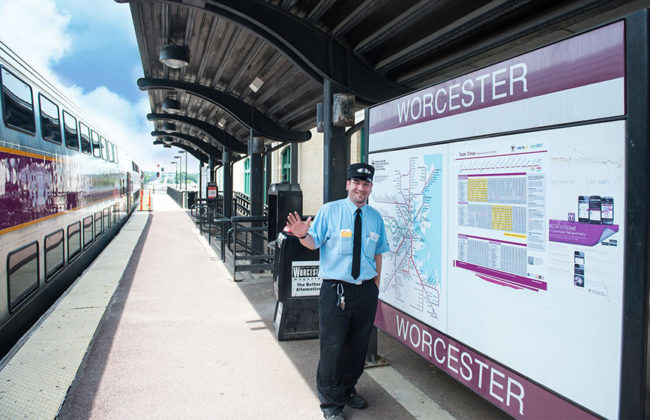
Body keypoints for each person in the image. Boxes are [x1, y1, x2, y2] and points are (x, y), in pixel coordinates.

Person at [286, 163, 389, 420]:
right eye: (356, 183)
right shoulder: (330, 211)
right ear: (348, 185)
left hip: (365, 292)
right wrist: (302, 235)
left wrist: (376, 283)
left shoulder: (375, 217)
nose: (360, 188)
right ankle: (331, 404)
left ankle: (347, 389)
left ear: (371, 188)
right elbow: (313, 243)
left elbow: (378, 251)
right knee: (333, 347)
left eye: (365, 184)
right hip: (336, 290)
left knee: (357, 347)